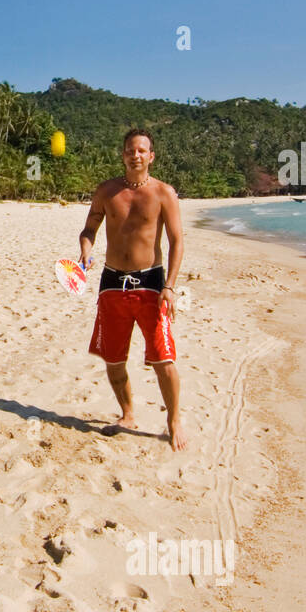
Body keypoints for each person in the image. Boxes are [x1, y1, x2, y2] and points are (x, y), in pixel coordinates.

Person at [78, 129, 188, 451]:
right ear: (123, 154)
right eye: (130, 150)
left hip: (151, 284)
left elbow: (177, 240)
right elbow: (89, 228)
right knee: (113, 359)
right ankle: (127, 415)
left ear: (151, 156)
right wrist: (86, 249)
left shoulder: (164, 193)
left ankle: (174, 420)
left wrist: (170, 286)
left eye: (142, 150)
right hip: (112, 282)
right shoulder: (107, 191)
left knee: (162, 358)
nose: (135, 155)